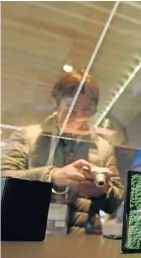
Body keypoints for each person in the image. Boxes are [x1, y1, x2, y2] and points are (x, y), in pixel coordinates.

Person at [1, 69, 124, 233]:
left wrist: (103, 193)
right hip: (29, 236)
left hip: (83, 243)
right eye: (72, 108)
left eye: (87, 109)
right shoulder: (28, 136)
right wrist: (51, 176)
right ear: (56, 104)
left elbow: (117, 202)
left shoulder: (103, 147)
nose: (80, 116)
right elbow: (3, 179)